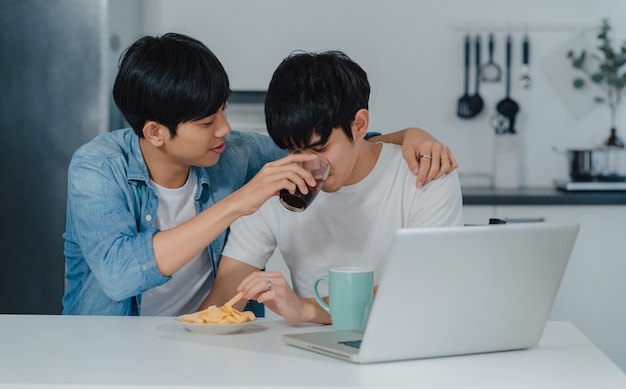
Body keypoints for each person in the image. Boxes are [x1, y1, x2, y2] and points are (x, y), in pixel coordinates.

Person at [62, 33, 457, 316]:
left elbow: (349, 146)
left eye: (224, 110)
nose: (225, 130)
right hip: (110, 342)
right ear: (155, 132)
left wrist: (411, 135)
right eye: (206, 122)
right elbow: (118, 276)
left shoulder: (238, 154)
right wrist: (239, 202)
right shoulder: (97, 168)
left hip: (210, 342)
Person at [204, 50, 464, 325]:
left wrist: (305, 309)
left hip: (409, 342)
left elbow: (425, 293)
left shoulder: (424, 175)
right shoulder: (275, 187)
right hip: (312, 354)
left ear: (359, 125)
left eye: (320, 149)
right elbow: (221, 301)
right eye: (294, 150)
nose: (307, 165)